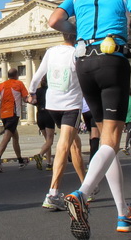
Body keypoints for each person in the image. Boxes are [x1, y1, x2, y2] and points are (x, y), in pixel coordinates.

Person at [49, 0, 131, 238]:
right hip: (111, 60)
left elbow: (54, 20)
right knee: (112, 139)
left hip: (83, 63)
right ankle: (82, 194)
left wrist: (77, 30)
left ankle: (124, 214)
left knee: (107, 140)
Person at [28, 32, 87, 211]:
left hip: (53, 105)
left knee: (74, 143)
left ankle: (87, 185)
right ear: (77, 35)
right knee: (64, 145)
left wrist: (31, 92)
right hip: (71, 106)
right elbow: (86, 78)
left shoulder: (51, 51)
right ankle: (53, 194)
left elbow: (38, 75)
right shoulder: (78, 52)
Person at [0, 68, 29, 172]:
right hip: (13, 113)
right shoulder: (19, 84)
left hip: (3, 114)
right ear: (16, 75)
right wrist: (31, 99)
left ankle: (20, 160)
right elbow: (25, 98)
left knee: (15, 136)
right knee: (7, 136)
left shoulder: (2, 84)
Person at [32, 76, 55, 171]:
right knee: (50, 140)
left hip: (39, 115)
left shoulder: (37, 91)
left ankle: (49, 163)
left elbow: (33, 102)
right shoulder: (51, 91)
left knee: (47, 141)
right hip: (48, 114)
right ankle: (40, 155)